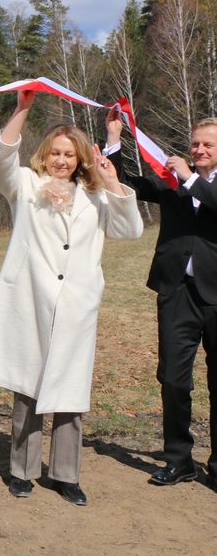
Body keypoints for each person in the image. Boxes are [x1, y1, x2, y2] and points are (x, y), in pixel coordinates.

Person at [0, 91, 142, 506]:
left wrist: (115, 181)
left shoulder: (98, 195)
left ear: (80, 158)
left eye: (68, 154)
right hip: (31, 301)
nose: (60, 161)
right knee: (27, 388)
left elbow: (129, 231)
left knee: (70, 390)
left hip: (76, 307)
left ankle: (66, 475)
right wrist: (22, 107)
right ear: (43, 156)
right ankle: (22, 470)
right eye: (54, 153)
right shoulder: (26, 186)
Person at [106, 110, 217, 491]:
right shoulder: (171, 181)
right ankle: (179, 460)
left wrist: (189, 178)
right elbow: (126, 183)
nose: (199, 149)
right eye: (195, 143)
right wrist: (115, 140)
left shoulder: (189, 180)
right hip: (176, 293)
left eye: (208, 144)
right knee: (172, 378)